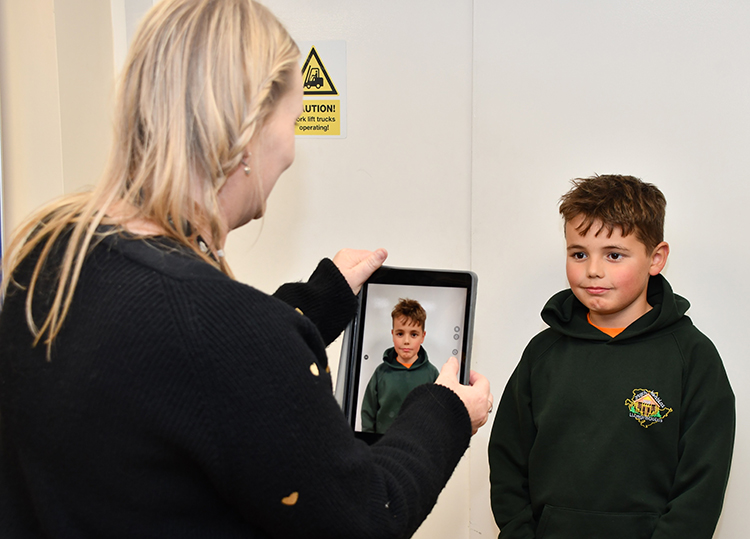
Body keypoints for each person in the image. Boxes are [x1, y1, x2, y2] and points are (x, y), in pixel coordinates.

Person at [0, 1, 493, 537]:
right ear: (247, 131)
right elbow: (367, 518)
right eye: (294, 119)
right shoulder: (232, 334)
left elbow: (186, 371)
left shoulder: (49, 257)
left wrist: (319, 298)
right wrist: (446, 411)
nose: (292, 151)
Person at [488, 174, 734, 539]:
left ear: (656, 258)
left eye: (614, 255)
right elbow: (508, 459)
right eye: (579, 253)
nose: (593, 271)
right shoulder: (542, 354)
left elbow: (703, 482)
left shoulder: (693, 357)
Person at [361, 298, 440, 434]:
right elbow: (368, 413)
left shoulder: (432, 374)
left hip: (420, 447)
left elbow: (439, 416)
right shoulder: (381, 373)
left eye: (414, 334)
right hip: (383, 447)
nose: (406, 341)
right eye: (400, 334)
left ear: (423, 336)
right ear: (393, 335)